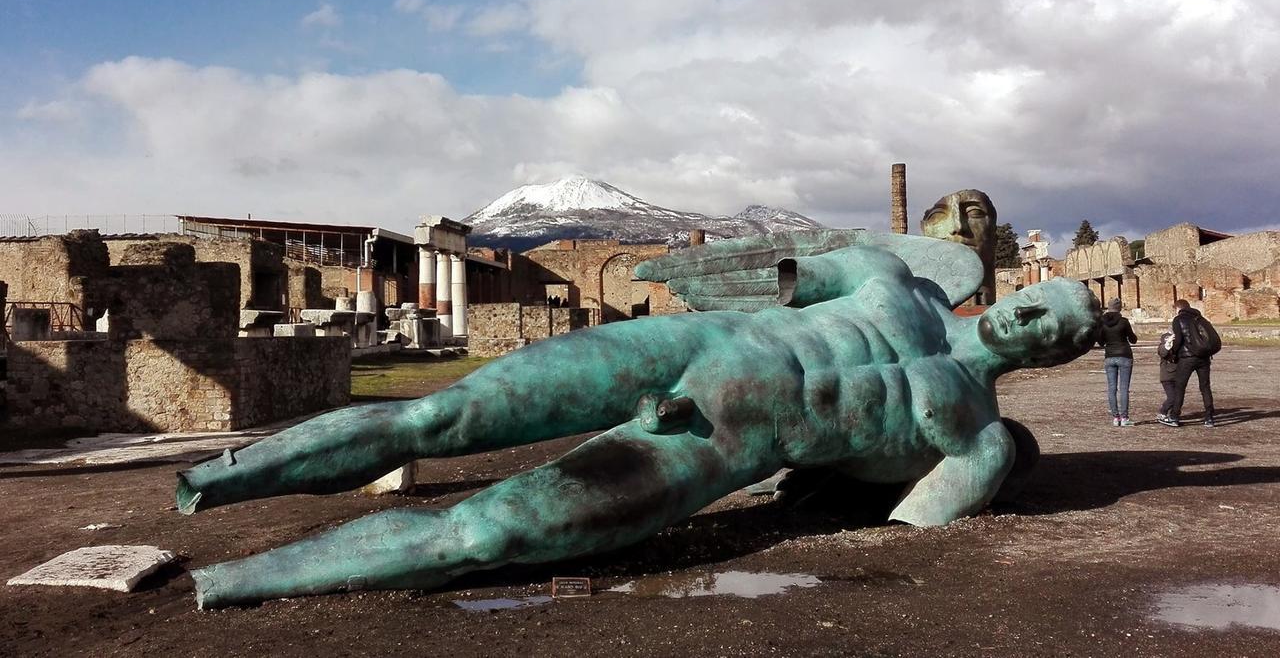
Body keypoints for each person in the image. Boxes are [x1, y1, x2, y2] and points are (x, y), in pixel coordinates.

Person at [174, 235, 1100, 609]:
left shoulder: (974, 434)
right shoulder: (892, 280)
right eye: (1039, 299)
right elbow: (774, 270)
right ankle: (220, 476)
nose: (1032, 319)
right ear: (1017, 294)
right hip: (681, 345)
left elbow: (901, 518)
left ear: (1055, 354)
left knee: (490, 530)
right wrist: (711, 266)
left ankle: (237, 580)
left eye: (1054, 327)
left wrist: (853, 480)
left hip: (716, 441)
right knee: (439, 413)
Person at [1158, 299, 1219, 427]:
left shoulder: (1178, 319)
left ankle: (1174, 416)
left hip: (1187, 358)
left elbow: (1179, 340)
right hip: (1203, 357)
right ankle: (1209, 417)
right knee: (1205, 387)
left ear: (1178, 309)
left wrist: (1173, 353)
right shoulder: (1200, 319)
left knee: (1180, 387)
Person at [1097, 298, 1137, 426]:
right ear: (1119, 308)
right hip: (1124, 355)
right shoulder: (1124, 322)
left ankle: (1116, 418)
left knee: (1111, 388)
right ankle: (1125, 418)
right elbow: (1133, 339)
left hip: (1109, 356)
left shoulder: (1102, 323)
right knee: (1124, 388)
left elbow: (1101, 341)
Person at [1155, 328, 1179, 425]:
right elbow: (1163, 352)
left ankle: (1173, 415)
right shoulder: (1163, 345)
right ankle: (1162, 412)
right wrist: (1168, 343)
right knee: (1172, 397)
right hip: (1167, 377)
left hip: (1178, 376)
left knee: (1178, 398)